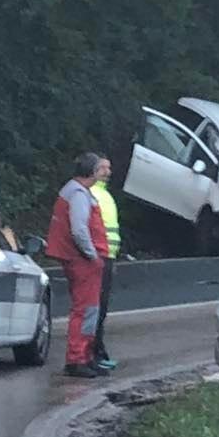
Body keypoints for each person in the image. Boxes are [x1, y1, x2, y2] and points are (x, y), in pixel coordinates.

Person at [45, 152, 111, 378]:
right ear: (92, 172)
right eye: (101, 169)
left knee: (87, 309)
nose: (106, 172)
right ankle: (77, 358)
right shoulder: (79, 194)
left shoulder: (75, 191)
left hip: (80, 258)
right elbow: (79, 229)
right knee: (86, 310)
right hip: (82, 260)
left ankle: (84, 356)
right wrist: (92, 255)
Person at [90, 156, 122, 371]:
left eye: (109, 168)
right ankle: (93, 353)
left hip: (107, 257)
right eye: (102, 168)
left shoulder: (105, 195)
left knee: (101, 310)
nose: (107, 172)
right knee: (94, 309)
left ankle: (97, 351)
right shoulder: (92, 194)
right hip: (96, 258)